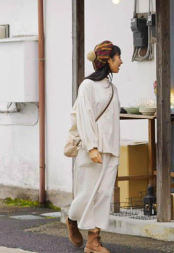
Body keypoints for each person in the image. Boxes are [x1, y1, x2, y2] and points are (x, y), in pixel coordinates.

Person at [66, 41, 122, 253]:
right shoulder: (87, 86)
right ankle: (72, 220)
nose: (121, 61)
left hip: (111, 149)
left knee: (104, 194)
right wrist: (91, 146)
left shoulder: (113, 88)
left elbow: (112, 118)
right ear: (108, 60)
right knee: (87, 194)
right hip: (93, 149)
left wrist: (115, 148)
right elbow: (85, 118)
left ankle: (93, 241)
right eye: (118, 57)